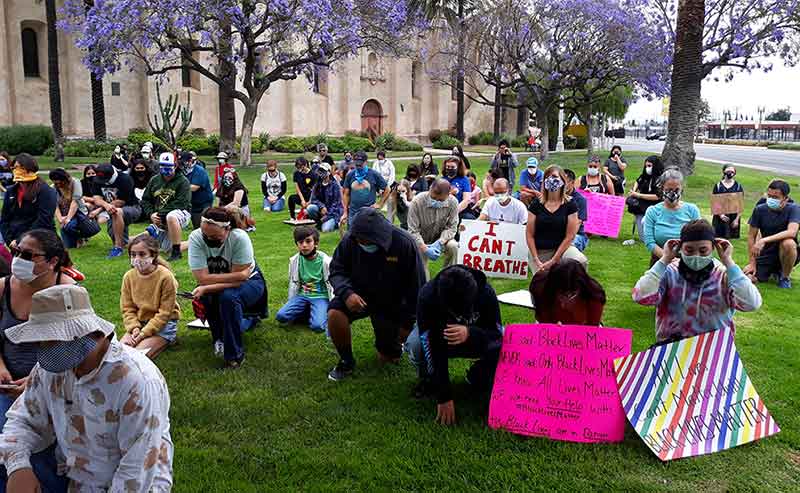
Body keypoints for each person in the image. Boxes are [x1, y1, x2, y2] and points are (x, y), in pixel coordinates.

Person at [0, 284, 173, 492]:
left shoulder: (138, 382)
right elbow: (23, 420)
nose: (43, 347)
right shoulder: (52, 367)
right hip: (71, 473)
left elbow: (136, 470)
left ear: (86, 332)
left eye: (50, 339)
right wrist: (18, 468)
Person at [326, 209, 426, 381]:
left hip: (391, 302)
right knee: (335, 313)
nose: (360, 242)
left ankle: (392, 346)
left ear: (379, 236)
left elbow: (416, 287)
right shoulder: (350, 240)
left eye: (364, 240)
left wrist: (407, 323)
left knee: (388, 358)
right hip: (358, 294)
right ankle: (346, 361)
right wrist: (347, 293)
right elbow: (336, 270)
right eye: (357, 239)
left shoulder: (404, 243)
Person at [633, 219, 762, 343]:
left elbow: (752, 303)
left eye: (703, 250)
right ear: (680, 248)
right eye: (689, 250)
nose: (696, 255)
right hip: (671, 349)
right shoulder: (669, 272)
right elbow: (640, 296)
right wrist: (664, 260)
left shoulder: (724, 275)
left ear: (713, 248)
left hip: (713, 352)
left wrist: (729, 263)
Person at [406, 265, 502, 425]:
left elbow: (496, 334)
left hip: (474, 338)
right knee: (417, 344)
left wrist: (470, 333)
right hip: (440, 340)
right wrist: (443, 395)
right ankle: (428, 380)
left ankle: (479, 375)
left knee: (505, 342)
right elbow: (430, 343)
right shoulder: (427, 296)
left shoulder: (486, 292)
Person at [0, 230, 76, 427]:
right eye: (16, 251)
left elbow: (75, 348)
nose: (17, 259)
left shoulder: (68, 291)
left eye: (27, 255)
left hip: (53, 383)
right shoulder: (3, 287)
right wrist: (0, 366)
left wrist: (38, 379)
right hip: (6, 382)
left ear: (52, 262)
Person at [189, 207, 267, 368]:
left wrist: (208, 285)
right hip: (234, 279)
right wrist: (237, 276)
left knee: (229, 297)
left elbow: (240, 281)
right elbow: (202, 278)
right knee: (211, 296)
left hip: (251, 282)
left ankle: (234, 356)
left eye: (215, 236)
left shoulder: (240, 238)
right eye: (206, 235)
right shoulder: (195, 237)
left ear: (227, 229)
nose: (209, 239)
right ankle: (219, 338)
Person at [120, 235, 180, 359]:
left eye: (142, 254)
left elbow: (165, 313)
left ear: (153, 255)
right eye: (133, 254)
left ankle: (168, 338)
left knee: (138, 357)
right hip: (140, 322)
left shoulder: (166, 277)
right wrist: (134, 328)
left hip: (163, 325)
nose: (137, 259)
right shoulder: (129, 276)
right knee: (120, 353)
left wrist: (143, 334)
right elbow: (127, 308)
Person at [526, 165, 588, 274]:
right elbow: (529, 234)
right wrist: (536, 259)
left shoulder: (570, 204)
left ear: (563, 181)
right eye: (547, 177)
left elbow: (570, 236)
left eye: (554, 176)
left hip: (563, 249)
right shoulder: (536, 204)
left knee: (580, 261)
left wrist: (555, 259)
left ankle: (577, 288)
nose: (550, 180)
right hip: (540, 251)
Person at [275, 226, 333, 333]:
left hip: (321, 296)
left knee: (318, 326)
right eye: (300, 242)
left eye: (308, 241)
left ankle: (318, 312)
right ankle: (309, 311)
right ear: (297, 244)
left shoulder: (326, 262)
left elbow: (332, 285)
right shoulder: (294, 260)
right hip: (302, 295)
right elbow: (293, 281)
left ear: (316, 243)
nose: (304, 245)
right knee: (281, 317)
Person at [745, 179, 800, 288]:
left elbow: (792, 232)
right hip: (766, 252)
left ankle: (785, 277)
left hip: (788, 252)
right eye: (769, 196)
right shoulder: (759, 210)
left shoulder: (794, 209)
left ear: (785, 199)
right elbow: (751, 236)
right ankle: (774, 271)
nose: (770, 199)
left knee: (788, 243)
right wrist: (752, 263)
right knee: (747, 277)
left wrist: (763, 240)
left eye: (775, 198)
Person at [643, 168, 701, 264]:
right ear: (661, 189)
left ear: (682, 190)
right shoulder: (652, 211)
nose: (673, 193)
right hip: (660, 261)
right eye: (668, 190)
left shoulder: (692, 210)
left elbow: (700, 237)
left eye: (676, 190)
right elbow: (649, 242)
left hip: (688, 262)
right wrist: (669, 259)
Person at [141, 152, 192, 261]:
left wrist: (159, 214)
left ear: (175, 165)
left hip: (181, 213)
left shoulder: (183, 181)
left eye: (169, 167)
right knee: (167, 249)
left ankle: (177, 253)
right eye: (163, 166)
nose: (166, 170)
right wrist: (151, 214)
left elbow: (181, 203)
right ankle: (193, 241)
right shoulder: (154, 180)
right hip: (159, 218)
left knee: (171, 216)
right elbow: (145, 200)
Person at [0, 154, 57, 249]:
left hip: (41, 240)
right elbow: (5, 219)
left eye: (21, 168)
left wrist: (21, 239)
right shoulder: (10, 191)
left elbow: (44, 219)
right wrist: (9, 240)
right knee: (20, 264)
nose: (17, 171)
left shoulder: (45, 191)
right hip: (15, 243)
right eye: (15, 168)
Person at [408, 179, 460, 277]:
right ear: (430, 189)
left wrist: (440, 242)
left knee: (454, 247)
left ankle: (448, 277)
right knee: (421, 268)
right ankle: (424, 285)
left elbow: (452, 227)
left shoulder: (453, 202)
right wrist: (424, 248)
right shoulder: (416, 202)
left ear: (448, 195)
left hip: (441, 239)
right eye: (433, 198)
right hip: (420, 239)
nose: (436, 201)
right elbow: (413, 231)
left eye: (440, 200)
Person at [530, 260, 605, 325]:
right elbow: (542, 318)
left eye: (571, 294)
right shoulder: (539, 286)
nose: (564, 301)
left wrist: (575, 312)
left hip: (580, 329)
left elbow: (592, 329)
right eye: (561, 294)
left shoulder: (594, 295)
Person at [91, 163, 142, 258]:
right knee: (123, 241)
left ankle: (118, 248)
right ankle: (148, 234)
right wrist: (105, 205)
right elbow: (97, 199)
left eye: (106, 180)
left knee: (117, 211)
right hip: (110, 210)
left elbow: (120, 202)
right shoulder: (97, 180)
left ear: (113, 175)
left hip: (132, 208)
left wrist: (99, 210)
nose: (103, 182)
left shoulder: (125, 179)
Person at [48, 168, 100, 249]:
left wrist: (68, 218)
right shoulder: (53, 188)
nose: (58, 185)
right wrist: (61, 219)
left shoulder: (75, 183)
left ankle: (81, 237)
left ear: (65, 179)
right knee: (68, 246)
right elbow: (55, 205)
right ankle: (74, 238)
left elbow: (75, 202)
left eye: (59, 182)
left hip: (78, 212)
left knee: (69, 225)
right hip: (64, 214)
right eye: (55, 183)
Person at [341, 151, 389, 228]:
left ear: (366, 162)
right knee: (352, 236)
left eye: (361, 163)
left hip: (369, 212)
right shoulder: (350, 175)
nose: (358, 165)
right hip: (353, 212)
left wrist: (380, 204)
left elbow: (387, 190)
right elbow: (346, 194)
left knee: (368, 236)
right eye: (356, 163)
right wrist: (345, 212)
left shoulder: (374, 174)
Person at [625, 155, 664, 244]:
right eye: (646, 166)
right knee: (643, 236)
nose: (647, 168)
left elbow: (658, 196)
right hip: (641, 207)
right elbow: (638, 181)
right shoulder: (645, 176)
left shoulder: (660, 179)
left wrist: (638, 195)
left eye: (649, 166)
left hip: (654, 207)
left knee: (649, 229)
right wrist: (634, 190)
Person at [180, 151, 214, 229]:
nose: (182, 164)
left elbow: (194, 187)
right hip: (193, 203)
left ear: (190, 161)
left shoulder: (199, 170)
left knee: (204, 225)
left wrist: (179, 188)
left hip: (204, 203)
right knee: (196, 226)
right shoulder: (184, 171)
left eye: (184, 162)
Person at [307, 163, 344, 232]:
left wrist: (326, 216)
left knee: (325, 229)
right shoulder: (317, 184)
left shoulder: (335, 186)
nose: (321, 173)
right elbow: (313, 199)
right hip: (322, 210)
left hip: (333, 213)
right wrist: (322, 207)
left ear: (329, 172)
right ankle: (319, 222)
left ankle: (335, 223)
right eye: (320, 171)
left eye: (323, 171)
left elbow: (336, 205)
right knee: (310, 208)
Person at [712, 165, 744, 239]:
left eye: (732, 171)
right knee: (718, 239)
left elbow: (740, 204)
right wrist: (721, 215)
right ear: (724, 171)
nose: (730, 173)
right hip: (720, 216)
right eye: (728, 171)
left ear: (734, 173)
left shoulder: (738, 186)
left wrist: (737, 220)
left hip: (733, 216)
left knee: (729, 240)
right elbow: (715, 202)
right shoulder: (718, 185)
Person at [396, 164, 429, 230]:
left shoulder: (422, 180)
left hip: (417, 202)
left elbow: (425, 192)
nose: (412, 173)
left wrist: (416, 192)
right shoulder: (405, 179)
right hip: (404, 204)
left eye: (414, 171)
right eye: (410, 171)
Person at [563, 169, 588, 252]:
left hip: (577, 235)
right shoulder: (555, 198)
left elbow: (577, 224)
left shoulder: (580, 200)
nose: (562, 185)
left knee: (569, 244)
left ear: (573, 183)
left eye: (565, 182)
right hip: (559, 233)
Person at [373, 150, 397, 223]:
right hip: (379, 182)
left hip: (389, 181)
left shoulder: (389, 163)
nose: (380, 160)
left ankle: (386, 205)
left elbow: (392, 174)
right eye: (379, 159)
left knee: (389, 190)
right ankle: (380, 203)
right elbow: (374, 174)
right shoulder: (376, 163)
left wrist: (388, 185)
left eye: (381, 159)